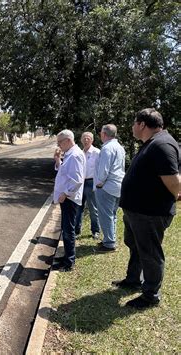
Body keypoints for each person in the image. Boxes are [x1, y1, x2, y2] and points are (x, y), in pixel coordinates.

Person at [114, 108, 180, 309]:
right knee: (135, 245)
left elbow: (175, 183)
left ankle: (150, 295)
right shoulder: (152, 144)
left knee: (150, 253)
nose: (132, 127)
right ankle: (133, 279)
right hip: (137, 211)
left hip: (150, 213)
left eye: (134, 123)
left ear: (142, 124)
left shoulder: (162, 145)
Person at [53, 129, 85, 272]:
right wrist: (57, 160)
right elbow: (64, 173)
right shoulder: (70, 154)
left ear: (67, 140)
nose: (59, 145)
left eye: (60, 142)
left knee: (68, 230)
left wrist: (65, 193)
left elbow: (77, 180)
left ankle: (69, 261)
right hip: (67, 198)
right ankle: (67, 256)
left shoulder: (75, 155)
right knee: (66, 229)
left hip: (70, 199)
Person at [93, 124, 125, 252]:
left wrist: (99, 183)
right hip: (117, 185)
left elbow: (103, 170)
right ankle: (110, 239)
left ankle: (109, 243)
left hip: (107, 186)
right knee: (112, 215)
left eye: (101, 133)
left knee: (105, 215)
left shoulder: (107, 148)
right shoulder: (119, 147)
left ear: (104, 134)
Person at [75, 132, 100, 238]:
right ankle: (76, 230)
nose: (86, 140)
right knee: (78, 208)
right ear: (81, 140)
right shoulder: (79, 153)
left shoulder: (97, 152)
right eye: (84, 138)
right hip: (80, 183)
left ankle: (95, 230)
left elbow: (100, 169)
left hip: (91, 182)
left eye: (88, 138)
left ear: (92, 140)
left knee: (93, 208)